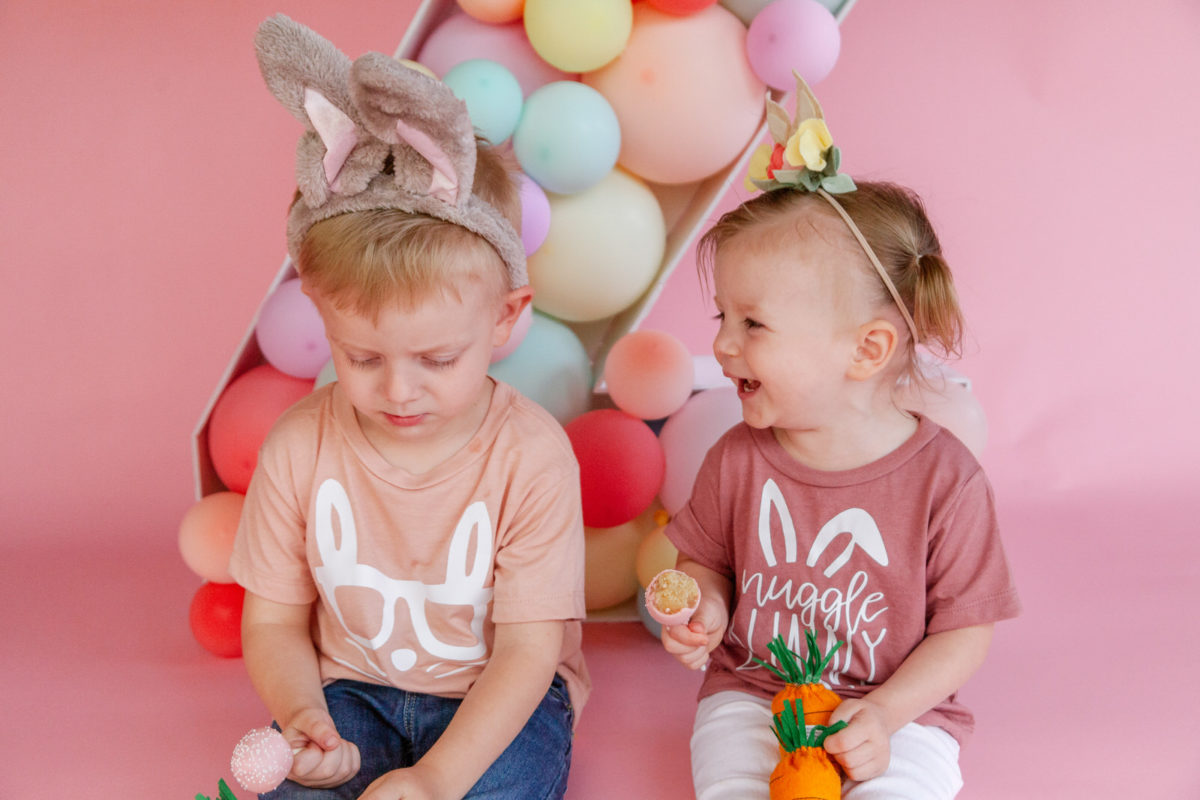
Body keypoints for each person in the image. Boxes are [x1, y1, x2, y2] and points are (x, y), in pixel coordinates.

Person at [229, 15, 588, 800]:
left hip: (499, 697)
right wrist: (303, 721)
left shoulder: (529, 456)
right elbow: (272, 623)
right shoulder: (299, 446)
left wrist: (434, 781)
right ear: (324, 319)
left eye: (437, 359)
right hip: (351, 691)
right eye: (360, 357)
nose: (397, 390)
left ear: (504, 316)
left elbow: (529, 650)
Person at [659, 74, 1019, 799]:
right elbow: (706, 564)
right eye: (721, 320)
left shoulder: (945, 482)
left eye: (752, 325)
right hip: (754, 694)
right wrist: (706, 609)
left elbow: (964, 631)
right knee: (733, 785)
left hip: (900, 711)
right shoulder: (737, 457)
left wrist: (885, 713)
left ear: (866, 349)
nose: (725, 348)